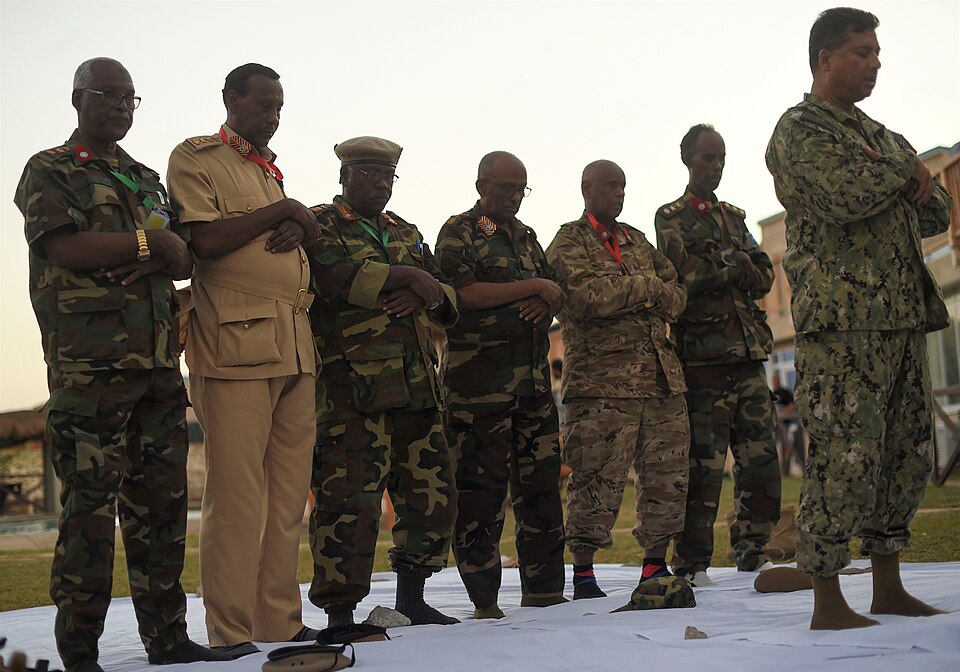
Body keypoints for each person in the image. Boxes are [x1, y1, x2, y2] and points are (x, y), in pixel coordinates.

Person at [14, 57, 225, 672]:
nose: (122, 107)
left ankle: (167, 640)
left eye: (132, 99)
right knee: (88, 515)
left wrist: (161, 248)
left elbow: (183, 256)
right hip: (92, 371)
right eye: (109, 95)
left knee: (160, 512)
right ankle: (80, 654)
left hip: (160, 368)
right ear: (77, 97)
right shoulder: (50, 168)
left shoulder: (145, 177)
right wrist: (145, 244)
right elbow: (63, 244)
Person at [766, 7, 953, 629]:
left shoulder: (881, 136)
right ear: (825, 59)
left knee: (903, 453)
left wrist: (901, 176)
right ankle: (827, 599)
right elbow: (842, 196)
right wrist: (904, 174)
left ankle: (888, 585)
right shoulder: (799, 130)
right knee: (847, 453)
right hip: (845, 322)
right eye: (862, 52)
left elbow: (938, 211)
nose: (875, 63)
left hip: (899, 315)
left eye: (877, 53)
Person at [166, 63, 320, 657]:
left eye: (279, 105)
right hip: (234, 342)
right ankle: (229, 629)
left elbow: (282, 236)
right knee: (236, 498)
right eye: (262, 105)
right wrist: (288, 212)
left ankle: (277, 621)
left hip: (293, 343)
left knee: (286, 498)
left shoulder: (265, 169)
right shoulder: (197, 158)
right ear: (230, 101)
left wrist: (295, 214)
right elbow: (203, 241)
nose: (273, 115)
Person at [306, 136, 460, 627]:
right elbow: (331, 278)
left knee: (429, 497)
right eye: (369, 174)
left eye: (387, 176)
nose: (380, 184)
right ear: (344, 176)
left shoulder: (406, 229)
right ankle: (340, 614)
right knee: (349, 503)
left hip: (417, 386)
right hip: (353, 392)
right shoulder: (321, 224)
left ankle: (412, 598)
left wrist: (423, 292)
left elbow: (444, 290)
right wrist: (405, 277)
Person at [546, 160, 690, 599]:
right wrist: (647, 291)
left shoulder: (637, 241)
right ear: (587, 188)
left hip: (661, 381)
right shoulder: (569, 241)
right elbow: (586, 297)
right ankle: (585, 574)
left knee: (667, 478)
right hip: (601, 385)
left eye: (623, 186)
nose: (619, 193)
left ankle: (654, 566)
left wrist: (641, 290)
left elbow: (677, 295)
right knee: (595, 479)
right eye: (610, 185)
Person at [435, 151, 567, 619]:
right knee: (480, 495)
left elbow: (553, 291)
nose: (514, 197)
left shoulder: (527, 238)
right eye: (506, 188)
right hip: (479, 391)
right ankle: (484, 600)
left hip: (532, 387)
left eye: (521, 189)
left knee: (542, 491)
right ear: (481, 186)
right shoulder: (459, 232)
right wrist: (531, 288)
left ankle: (545, 591)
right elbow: (463, 293)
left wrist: (543, 299)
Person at [654, 125, 781, 586]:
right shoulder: (670, 217)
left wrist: (743, 267)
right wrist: (733, 266)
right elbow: (680, 273)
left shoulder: (734, 216)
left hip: (748, 355)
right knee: (704, 465)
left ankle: (753, 548)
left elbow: (764, 271)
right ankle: (692, 561)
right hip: (703, 360)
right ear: (688, 159)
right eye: (708, 158)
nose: (716, 166)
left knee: (761, 459)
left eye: (722, 157)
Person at [770, 372, 803, 475]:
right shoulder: (772, 393)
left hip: (790, 423)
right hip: (779, 425)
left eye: (776, 379)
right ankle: (784, 469)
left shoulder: (786, 393)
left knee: (792, 444)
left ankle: (795, 467)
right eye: (773, 379)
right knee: (782, 445)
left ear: (779, 380)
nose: (775, 381)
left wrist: (783, 414)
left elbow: (793, 405)